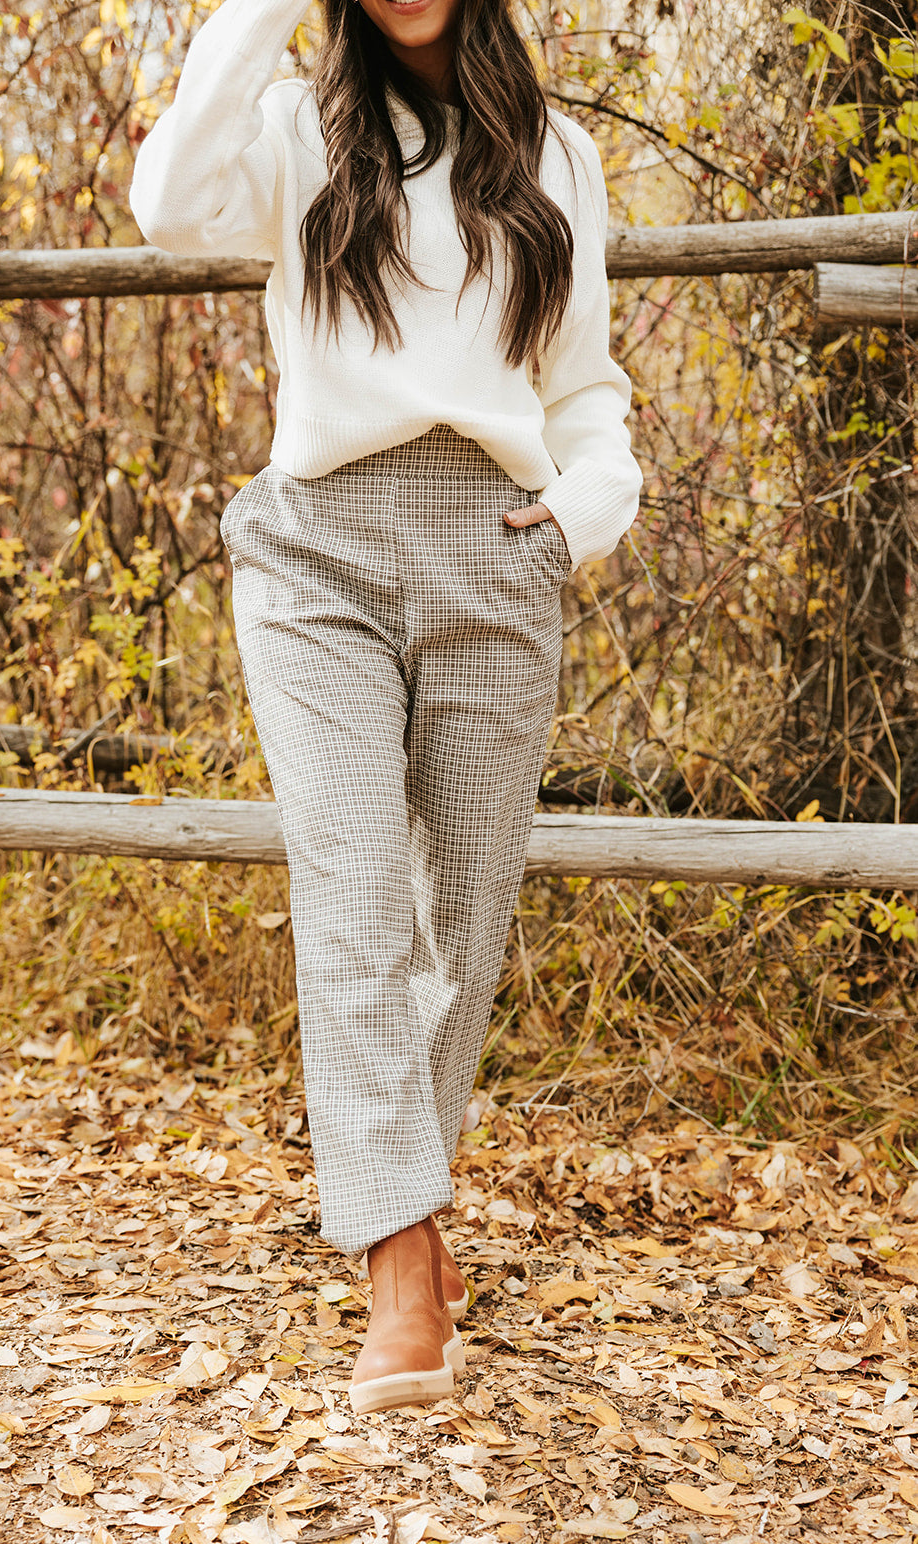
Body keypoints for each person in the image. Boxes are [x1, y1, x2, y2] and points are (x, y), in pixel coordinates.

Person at [128, 0, 642, 1416]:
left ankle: (406, 1193)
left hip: (496, 548)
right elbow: (166, 204)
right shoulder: (294, 131)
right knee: (354, 889)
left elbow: (585, 387)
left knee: (459, 920)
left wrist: (582, 515)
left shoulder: (560, 158)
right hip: (319, 555)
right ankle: (401, 1264)